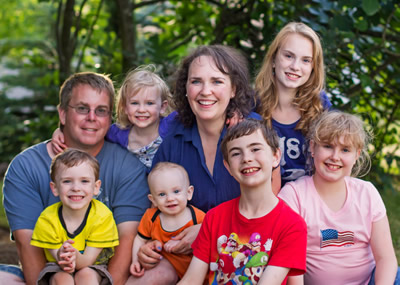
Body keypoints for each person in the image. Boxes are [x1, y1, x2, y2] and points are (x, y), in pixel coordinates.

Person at [129, 45, 265, 284]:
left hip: (244, 250)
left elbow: (267, 206)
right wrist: (148, 245)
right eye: (196, 82)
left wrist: (207, 232)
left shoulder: (251, 133)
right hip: (183, 257)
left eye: (216, 81)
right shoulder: (173, 141)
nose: (205, 91)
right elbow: (157, 205)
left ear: (233, 89)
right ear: (186, 89)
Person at [2, 72, 149, 285]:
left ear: (109, 119)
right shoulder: (26, 167)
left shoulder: (128, 168)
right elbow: (28, 245)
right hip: (50, 275)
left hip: (102, 276)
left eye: (101, 111)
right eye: (82, 108)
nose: (92, 117)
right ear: (62, 115)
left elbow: (126, 241)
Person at [179, 119, 307, 285]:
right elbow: (191, 280)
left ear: (276, 156)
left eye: (255, 149)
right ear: (228, 167)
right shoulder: (214, 218)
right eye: (236, 153)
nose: (246, 158)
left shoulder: (292, 225)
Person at [278, 110, 399, 285]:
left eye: (345, 150)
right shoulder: (294, 195)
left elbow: (386, 259)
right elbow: (288, 261)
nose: (335, 157)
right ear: (312, 147)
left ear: (356, 155)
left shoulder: (367, 193)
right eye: (327, 146)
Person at [51, 64, 173, 169]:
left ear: (162, 107)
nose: (141, 110)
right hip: (136, 188)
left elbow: (190, 115)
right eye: (134, 103)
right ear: (125, 107)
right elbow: (93, 129)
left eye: (149, 103)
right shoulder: (118, 133)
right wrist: (61, 130)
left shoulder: (171, 124)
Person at [255, 22, 331, 187]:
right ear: (274, 59)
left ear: (313, 67)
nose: (295, 67)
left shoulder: (320, 105)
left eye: (305, 60)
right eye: (288, 56)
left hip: (309, 201)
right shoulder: (252, 105)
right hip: (266, 202)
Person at [31, 148, 119, 285]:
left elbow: (86, 262)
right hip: (57, 265)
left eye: (84, 181)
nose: (76, 188)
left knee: (86, 276)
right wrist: (63, 255)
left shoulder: (102, 216)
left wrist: (75, 255)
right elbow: (60, 261)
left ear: (96, 187)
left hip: (93, 264)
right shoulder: (47, 218)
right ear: (55, 188)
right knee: (62, 279)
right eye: (67, 181)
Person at [130, 162, 205, 280]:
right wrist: (135, 260)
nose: (170, 199)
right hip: (166, 268)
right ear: (153, 199)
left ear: (189, 193)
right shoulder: (151, 217)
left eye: (176, 192)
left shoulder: (198, 218)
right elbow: (139, 239)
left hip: (197, 273)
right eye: (162, 194)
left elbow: (209, 242)